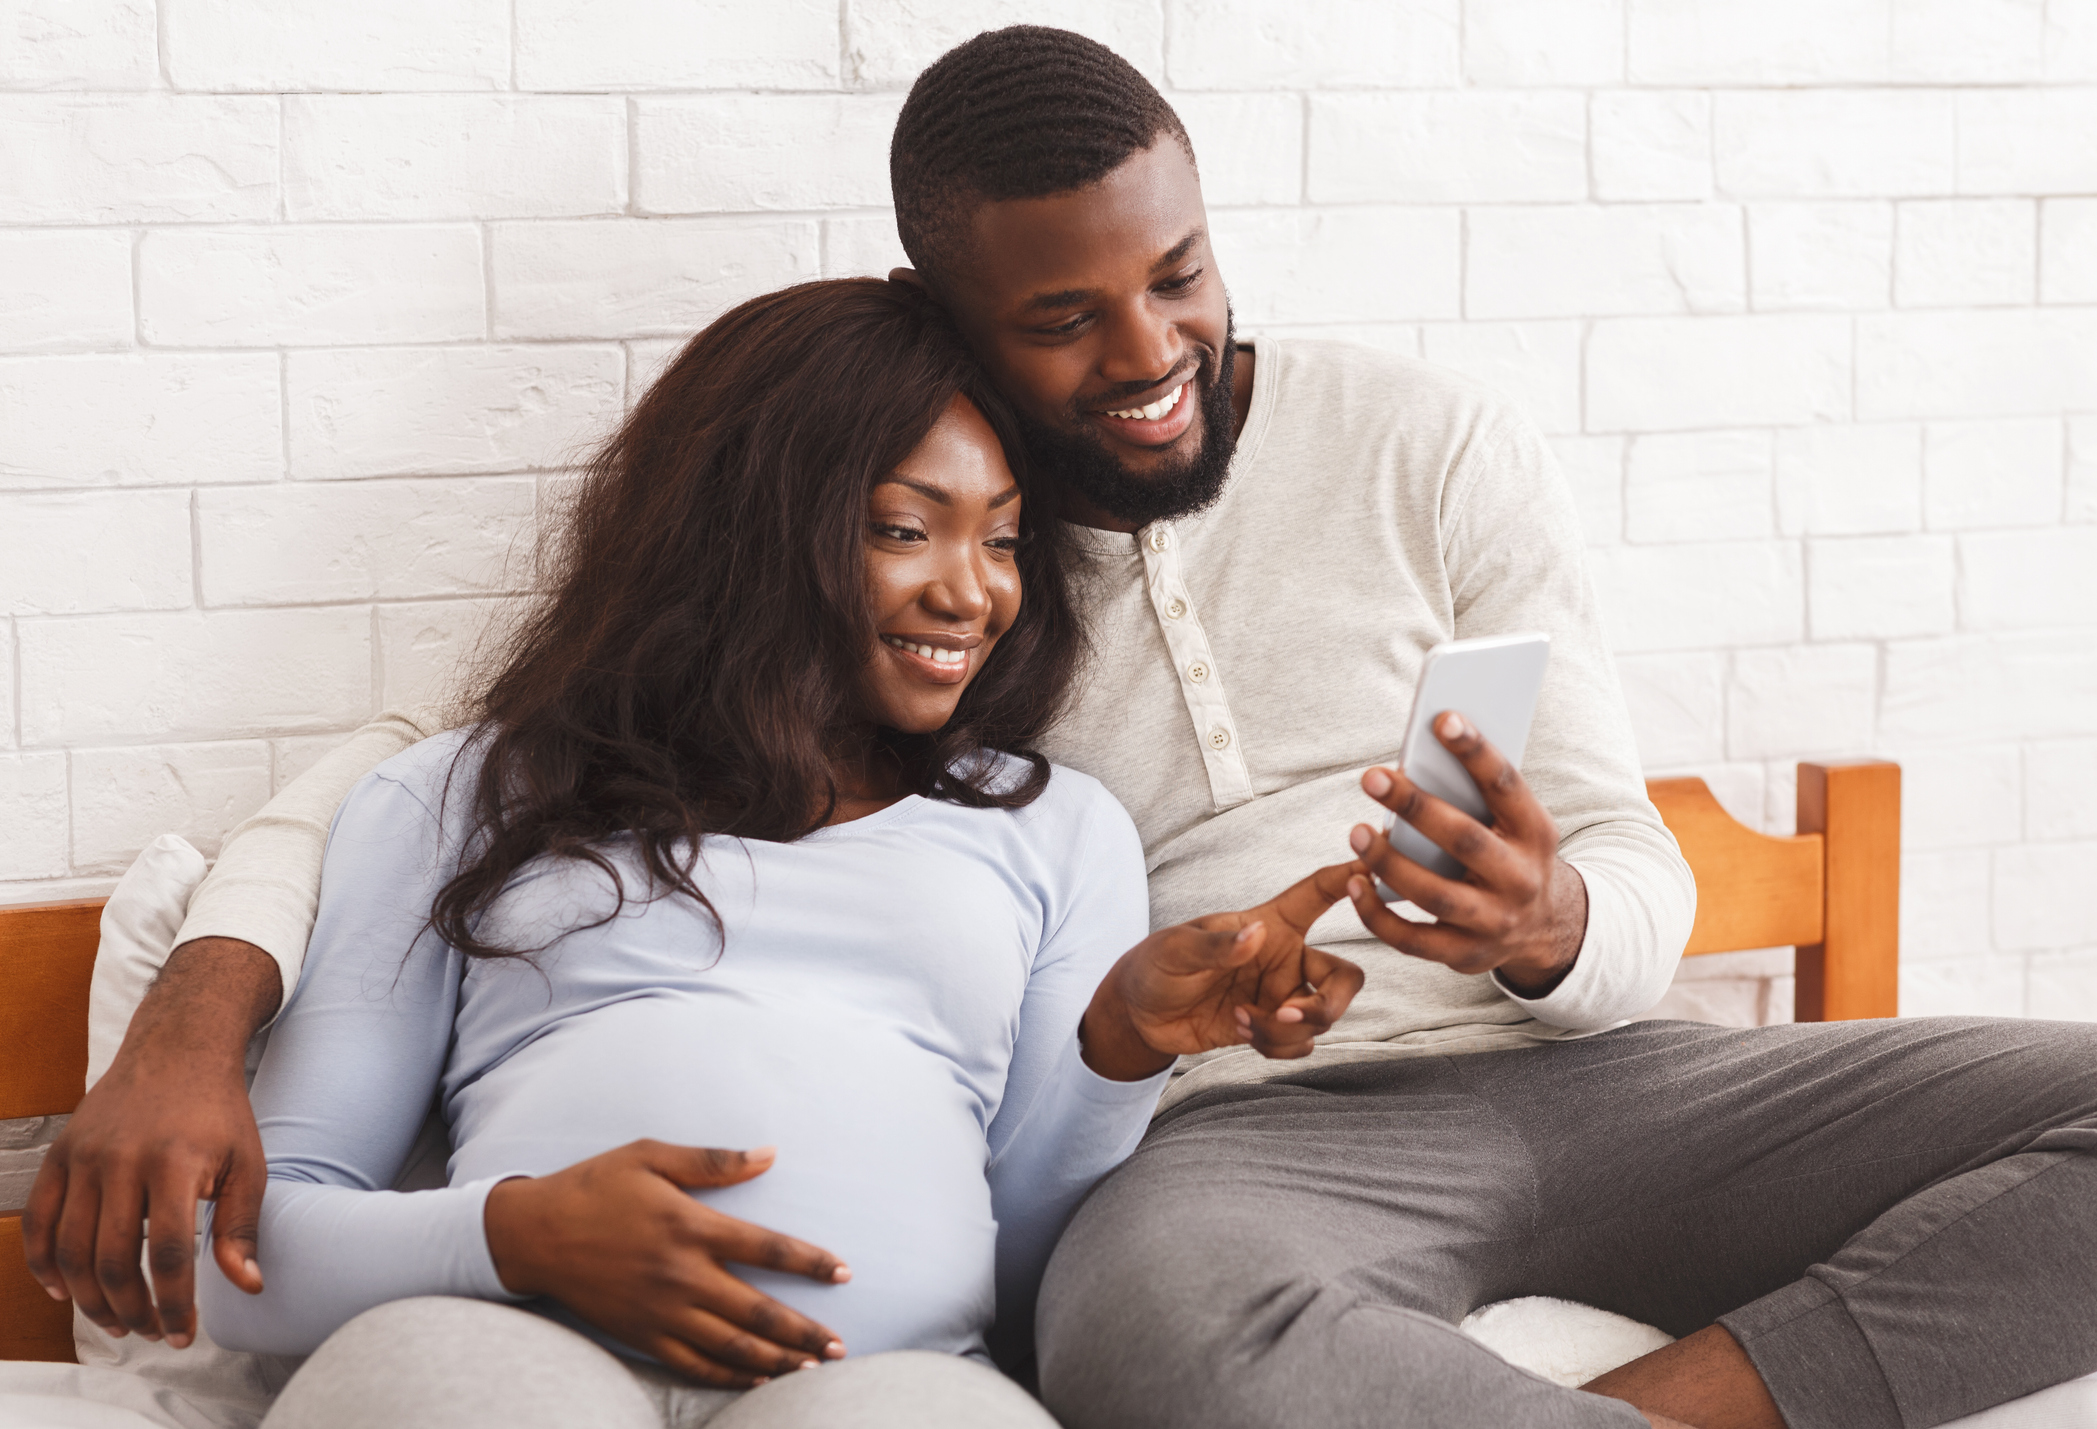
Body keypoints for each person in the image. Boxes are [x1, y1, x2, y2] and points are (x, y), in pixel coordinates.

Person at [27, 25, 2097, 1429]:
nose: (1149, 354)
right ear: (944, 330)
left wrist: (1551, 924)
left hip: (1598, 1067)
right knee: (1143, 1321)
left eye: (1178, 276)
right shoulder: (890, 566)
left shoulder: (1417, 447)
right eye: (1062, 322)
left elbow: (1621, 860)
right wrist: (195, 1015)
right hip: (1246, 1140)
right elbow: (451, 762)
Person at [54, 278, 1369, 1429]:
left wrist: (1116, 1047)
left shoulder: (1053, 827)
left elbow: (1023, 1279)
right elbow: (248, 1257)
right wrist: (514, 1235)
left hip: (887, 1381)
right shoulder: (469, 795)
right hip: (502, 1348)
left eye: (1002, 535)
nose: (972, 590)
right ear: (750, 526)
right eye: (904, 527)